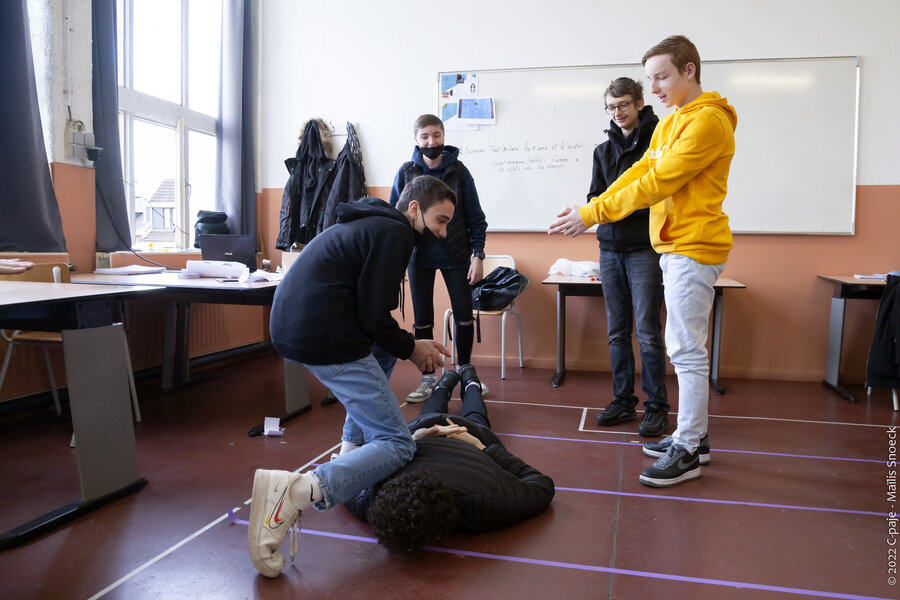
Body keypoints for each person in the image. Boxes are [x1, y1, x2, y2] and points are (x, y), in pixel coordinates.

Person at [549, 35, 737, 488]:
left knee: (686, 352)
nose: (653, 87)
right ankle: (696, 437)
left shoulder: (708, 122)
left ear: (689, 70)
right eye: (650, 78)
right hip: (674, 248)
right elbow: (639, 172)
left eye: (661, 77)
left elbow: (659, 183)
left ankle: (688, 448)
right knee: (682, 348)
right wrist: (593, 206)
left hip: (693, 247)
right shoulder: (675, 123)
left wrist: (592, 214)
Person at [249, 175, 455, 578]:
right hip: (322, 334)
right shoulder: (396, 234)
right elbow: (371, 316)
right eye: (440, 221)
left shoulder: (375, 223)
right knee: (397, 444)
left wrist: (407, 345)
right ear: (414, 209)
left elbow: (373, 320)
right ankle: (296, 492)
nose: (443, 233)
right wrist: (414, 347)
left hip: (297, 326)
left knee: (383, 348)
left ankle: (350, 454)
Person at [344, 364, 555, 552]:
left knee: (473, 416)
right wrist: (480, 447)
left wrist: (484, 448)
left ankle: (462, 379)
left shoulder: (485, 504)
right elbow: (542, 486)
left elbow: (541, 487)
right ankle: (459, 379)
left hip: (432, 435)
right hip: (439, 433)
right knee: (456, 415)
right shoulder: (370, 498)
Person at [587, 77, 668, 437]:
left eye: (623, 104)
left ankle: (656, 406)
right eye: (611, 107)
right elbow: (595, 199)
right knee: (617, 331)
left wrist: (614, 209)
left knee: (648, 331)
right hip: (609, 250)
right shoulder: (602, 151)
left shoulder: (658, 140)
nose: (617, 112)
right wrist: (598, 210)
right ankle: (623, 400)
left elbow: (653, 195)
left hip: (644, 249)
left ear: (639, 103)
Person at [389, 114, 488, 402]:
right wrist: (396, 260)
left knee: (464, 316)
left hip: (457, 255)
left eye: (436, 135)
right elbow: (396, 217)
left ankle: (466, 373)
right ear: (416, 140)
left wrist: (478, 255)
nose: (431, 142)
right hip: (418, 257)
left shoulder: (460, 171)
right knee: (423, 321)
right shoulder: (406, 172)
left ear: (443, 137)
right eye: (425, 137)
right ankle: (428, 379)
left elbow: (476, 218)